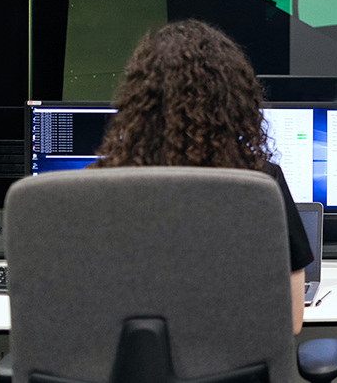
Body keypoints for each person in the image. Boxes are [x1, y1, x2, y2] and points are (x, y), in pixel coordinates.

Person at [91, 19, 313, 334]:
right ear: (234, 101)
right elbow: (290, 322)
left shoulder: (91, 188)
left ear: (137, 100)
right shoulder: (260, 185)